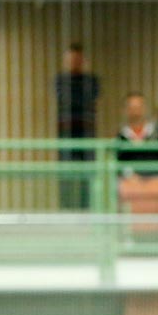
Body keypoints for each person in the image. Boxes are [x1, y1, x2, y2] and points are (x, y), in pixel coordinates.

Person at [54, 43, 101, 209]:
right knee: (66, 173)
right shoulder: (60, 81)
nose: (74, 62)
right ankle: (66, 208)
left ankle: (85, 208)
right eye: (71, 59)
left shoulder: (91, 81)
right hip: (66, 133)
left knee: (87, 174)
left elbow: (88, 100)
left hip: (86, 133)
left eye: (77, 58)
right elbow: (67, 101)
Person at [115, 91, 158, 175]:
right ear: (125, 110)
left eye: (139, 107)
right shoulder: (119, 138)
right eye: (131, 107)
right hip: (129, 182)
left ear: (145, 108)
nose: (135, 111)